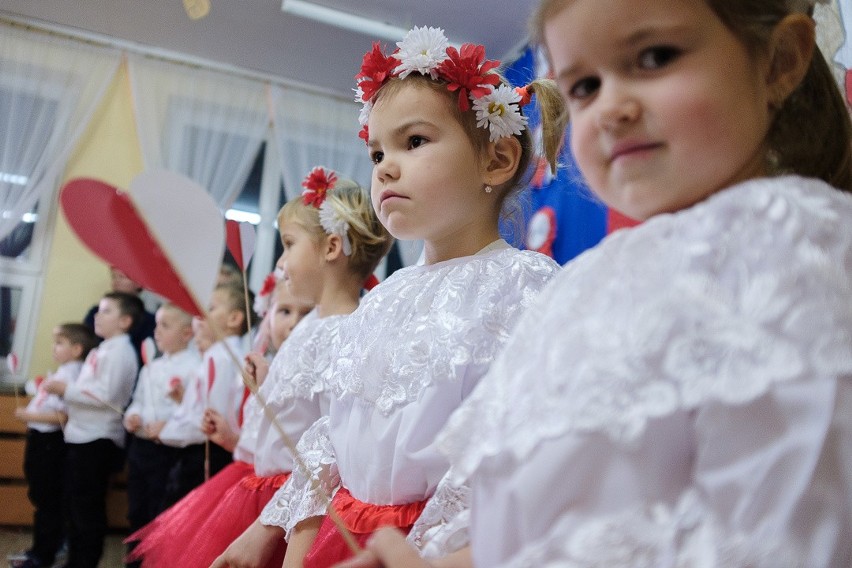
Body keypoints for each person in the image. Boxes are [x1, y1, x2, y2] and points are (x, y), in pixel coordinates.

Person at [336, 0, 852, 566]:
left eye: (655, 57)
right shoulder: (595, 280)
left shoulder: (796, 250)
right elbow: (538, 511)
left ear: (780, 60)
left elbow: (777, 534)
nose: (610, 108)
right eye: (583, 86)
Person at [253, 26, 566, 568]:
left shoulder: (527, 287)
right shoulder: (382, 297)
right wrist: (274, 533)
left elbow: (516, 457)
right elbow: (332, 432)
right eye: (377, 153)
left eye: (414, 142)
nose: (385, 169)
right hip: (342, 539)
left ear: (496, 160)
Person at [201, 168, 392, 568]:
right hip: (260, 491)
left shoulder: (346, 333)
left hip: (292, 511)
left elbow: (331, 444)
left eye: (288, 245)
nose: (282, 263)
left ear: (331, 247)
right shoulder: (309, 324)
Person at [44, 292, 142, 568]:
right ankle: (76, 559)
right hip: (82, 434)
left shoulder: (121, 352)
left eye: (107, 311)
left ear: (125, 320)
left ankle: (84, 561)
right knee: (75, 505)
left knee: (86, 508)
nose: (98, 315)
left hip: (97, 438)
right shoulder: (103, 349)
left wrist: (67, 389)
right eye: (98, 310)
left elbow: (107, 397)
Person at [156, 283, 254, 506]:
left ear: (234, 319)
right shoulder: (218, 355)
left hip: (207, 449)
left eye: (209, 308)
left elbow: (212, 416)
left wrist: (170, 431)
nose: (200, 313)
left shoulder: (220, 357)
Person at [10, 323, 98, 568]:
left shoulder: (71, 375)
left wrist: (29, 416)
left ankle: (44, 553)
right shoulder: (63, 372)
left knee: (48, 501)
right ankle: (42, 549)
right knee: (42, 498)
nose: (54, 348)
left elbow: (63, 417)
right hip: (40, 441)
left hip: (50, 443)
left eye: (60, 343)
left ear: (77, 349)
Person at [122, 302, 199, 566]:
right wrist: (134, 416)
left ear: (187, 334)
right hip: (141, 447)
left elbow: (193, 410)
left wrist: (168, 422)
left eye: (165, 326)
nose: (157, 331)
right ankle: (133, 559)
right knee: (136, 508)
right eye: (156, 325)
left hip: (168, 452)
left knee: (160, 510)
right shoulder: (150, 367)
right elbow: (139, 401)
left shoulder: (194, 367)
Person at [83, 266, 156, 366]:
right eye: (114, 277)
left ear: (138, 283)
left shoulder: (149, 320)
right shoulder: (96, 312)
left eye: (122, 277)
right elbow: (85, 341)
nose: (116, 281)